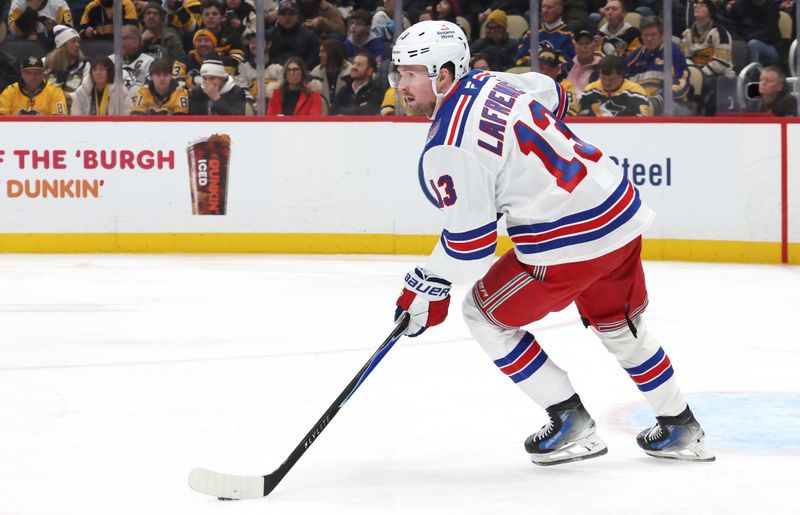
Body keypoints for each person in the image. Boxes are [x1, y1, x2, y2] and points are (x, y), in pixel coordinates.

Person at [389, 20, 715, 466]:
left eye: (410, 74)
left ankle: (571, 422)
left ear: (444, 74)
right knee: (619, 326)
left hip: (567, 242)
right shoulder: (494, 80)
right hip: (618, 213)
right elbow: (553, 93)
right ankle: (682, 427)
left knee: (483, 315)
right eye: (399, 73)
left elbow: (470, 248)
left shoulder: (450, 143)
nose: (400, 85)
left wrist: (424, 284)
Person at [625, 16, 690, 114]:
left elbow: (682, 81)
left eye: (653, 35)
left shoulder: (673, 53)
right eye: (646, 35)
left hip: (669, 103)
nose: (649, 38)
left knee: (671, 109)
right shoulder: (634, 56)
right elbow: (622, 80)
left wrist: (659, 99)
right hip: (640, 104)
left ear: (662, 35)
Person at [580, 54, 652, 116]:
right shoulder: (589, 91)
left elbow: (641, 123)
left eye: (611, 79)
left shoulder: (636, 93)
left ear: (621, 75)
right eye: (603, 78)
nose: (606, 83)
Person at [515, 0, 576, 67]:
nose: (544, 11)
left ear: (559, 10)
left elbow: (567, 62)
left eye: (549, 7)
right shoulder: (531, 33)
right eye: (543, 7)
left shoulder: (569, 35)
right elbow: (520, 59)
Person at [0, 55, 68, 114]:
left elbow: (59, 120)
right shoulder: (10, 92)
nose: (33, 77)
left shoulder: (55, 91)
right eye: (29, 73)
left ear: (42, 74)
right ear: (22, 74)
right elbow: (2, 119)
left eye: (37, 73)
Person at [269, 0, 320, 68]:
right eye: (283, 14)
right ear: (278, 17)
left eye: (292, 14)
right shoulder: (269, 36)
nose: (288, 17)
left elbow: (313, 60)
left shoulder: (309, 36)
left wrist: (299, 71)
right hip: (274, 74)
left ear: (297, 16)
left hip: (302, 74)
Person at [44, 25, 89, 97]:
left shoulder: (85, 65)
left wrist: (66, 95)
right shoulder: (44, 62)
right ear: (63, 45)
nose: (77, 45)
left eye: (78, 42)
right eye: (73, 42)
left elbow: (86, 91)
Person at [110, 25, 155, 95]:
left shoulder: (150, 62)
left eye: (123, 38)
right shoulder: (109, 60)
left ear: (135, 42)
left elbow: (150, 90)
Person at [8, 0, 73, 47]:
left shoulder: (59, 3)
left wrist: (40, 37)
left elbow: (67, 31)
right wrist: (27, 15)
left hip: (54, 46)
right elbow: (14, 32)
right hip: (27, 45)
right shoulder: (18, 3)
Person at [537, 44, 579, 116]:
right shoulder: (530, 84)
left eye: (549, 70)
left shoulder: (566, 87)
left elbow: (571, 113)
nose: (544, 73)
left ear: (557, 70)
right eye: (541, 69)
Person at [309, 37, 351, 109]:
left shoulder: (351, 74)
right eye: (320, 51)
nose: (319, 55)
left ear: (334, 52)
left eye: (323, 51)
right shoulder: (315, 73)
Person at [566, 30, 602, 97]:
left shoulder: (602, 69)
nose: (584, 47)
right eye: (580, 44)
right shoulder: (567, 67)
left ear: (594, 46)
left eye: (587, 43)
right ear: (575, 48)